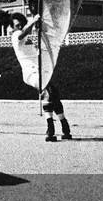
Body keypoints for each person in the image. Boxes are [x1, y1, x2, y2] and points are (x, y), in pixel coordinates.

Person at [9, 13, 71, 141]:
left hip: (40, 70)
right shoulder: (16, 36)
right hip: (30, 73)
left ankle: (64, 124)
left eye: (21, 24)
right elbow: (23, 33)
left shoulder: (29, 39)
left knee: (54, 93)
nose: (19, 27)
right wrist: (33, 21)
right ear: (13, 27)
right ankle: (50, 127)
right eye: (17, 25)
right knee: (47, 92)